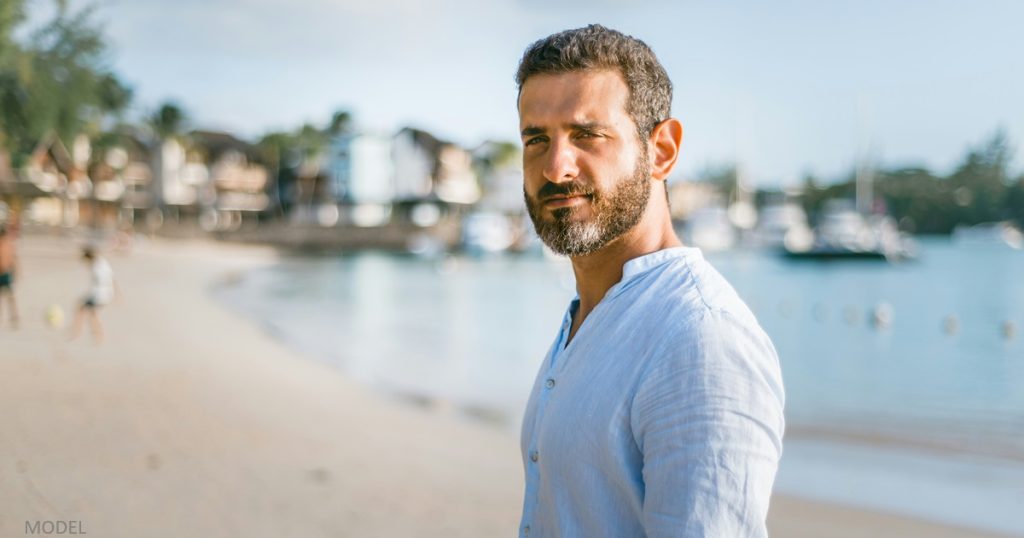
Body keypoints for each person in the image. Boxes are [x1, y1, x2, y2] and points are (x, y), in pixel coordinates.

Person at [515, 25, 785, 537]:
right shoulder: (589, 316)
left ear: (661, 150)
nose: (556, 166)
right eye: (536, 139)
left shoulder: (701, 340)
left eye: (587, 135)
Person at [69, 247, 116, 343]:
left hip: (99, 295)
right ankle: (97, 335)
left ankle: (77, 331)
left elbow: (100, 283)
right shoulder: (103, 262)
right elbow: (112, 279)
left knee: (82, 310)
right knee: (93, 314)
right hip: (107, 293)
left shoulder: (95, 266)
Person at [0, 224, 19, 328]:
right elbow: (13, 259)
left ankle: (14, 317)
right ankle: (13, 316)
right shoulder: (6, 245)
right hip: (4, 274)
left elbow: (12, 259)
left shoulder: (7, 245)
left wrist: (15, 271)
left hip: (5, 274)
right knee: (9, 297)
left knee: (10, 297)